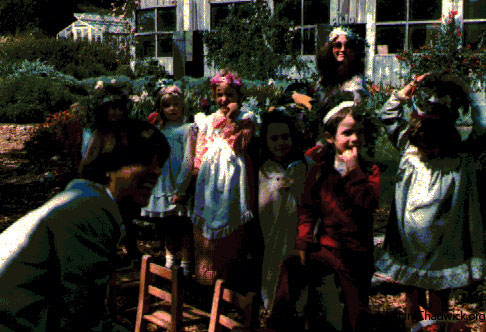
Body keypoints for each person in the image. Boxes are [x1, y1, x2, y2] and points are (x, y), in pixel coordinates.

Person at [0, 119, 170, 332]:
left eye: (159, 164)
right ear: (109, 165)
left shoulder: (83, 198)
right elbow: (81, 319)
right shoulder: (90, 209)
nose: (156, 172)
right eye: (144, 160)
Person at [374, 72, 486, 330]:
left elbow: (483, 129)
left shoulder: (459, 160)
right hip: (408, 239)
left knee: (438, 298)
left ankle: (435, 326)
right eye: (423, 143)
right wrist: (410, 87)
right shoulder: (409, 149)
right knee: (413, 296)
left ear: (447, 138)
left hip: (442, 243)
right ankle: (415, 323)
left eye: (434, 145)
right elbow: (387, 115)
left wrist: (469, 92)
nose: (428, 150)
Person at [296, 99, 380, 331]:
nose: (354, 138)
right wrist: (303, 241)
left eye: (359, 132)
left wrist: (354, 172)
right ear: (330, 137)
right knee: (325, 306)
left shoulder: (369, 170)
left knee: (357, 310)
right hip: (329, 248)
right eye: (347, 133)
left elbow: (368, 203)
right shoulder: (320, 171)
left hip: (358, 252)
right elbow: (308, 208)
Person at [192, 70, 259, 291]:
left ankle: (229, 278)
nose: (224, 100)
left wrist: (231, 118)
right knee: (207, 219)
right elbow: (201, 149)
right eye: (220, 95)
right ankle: (206, 278)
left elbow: (238, 145)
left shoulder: (245, 119)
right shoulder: (208, 120)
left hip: (233, 176)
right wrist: (196, 172)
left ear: (238, 96)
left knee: (231, 219)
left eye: (229, 95)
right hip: (210, 178)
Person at [141, 85, 196, 277]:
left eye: (176, 105)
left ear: (183, 106)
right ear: (161, 108)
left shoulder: (188, 129)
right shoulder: (160, 130)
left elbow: (189, 160)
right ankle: (169, 263)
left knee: (184, 226)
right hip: (163, 184)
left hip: (179, 184)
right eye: (167, 105)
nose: (172, 109)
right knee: (167, 226)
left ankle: (187, 266)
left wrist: (182, 188)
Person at [257, 110, 309, 312]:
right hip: (271, 233)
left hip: (297, 232)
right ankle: (273, 307)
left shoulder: (303, 165)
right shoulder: (264, 168)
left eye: (285, 137)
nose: (280, 143)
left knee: (298, 271)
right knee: (273, 268)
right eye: (274, 138)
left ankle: (299, 308)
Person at [315, 26, 368, 106]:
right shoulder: (324, 78)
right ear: (331, 48)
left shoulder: (356, 80)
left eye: (347, 45)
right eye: (338, 45)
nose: (343, 49)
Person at [81, 81, 131, 158]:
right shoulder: (98, 135)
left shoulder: (127, 132)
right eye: (113, 109)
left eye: (120, 109)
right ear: (104, 110)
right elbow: (87, 162)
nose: (117, 112)